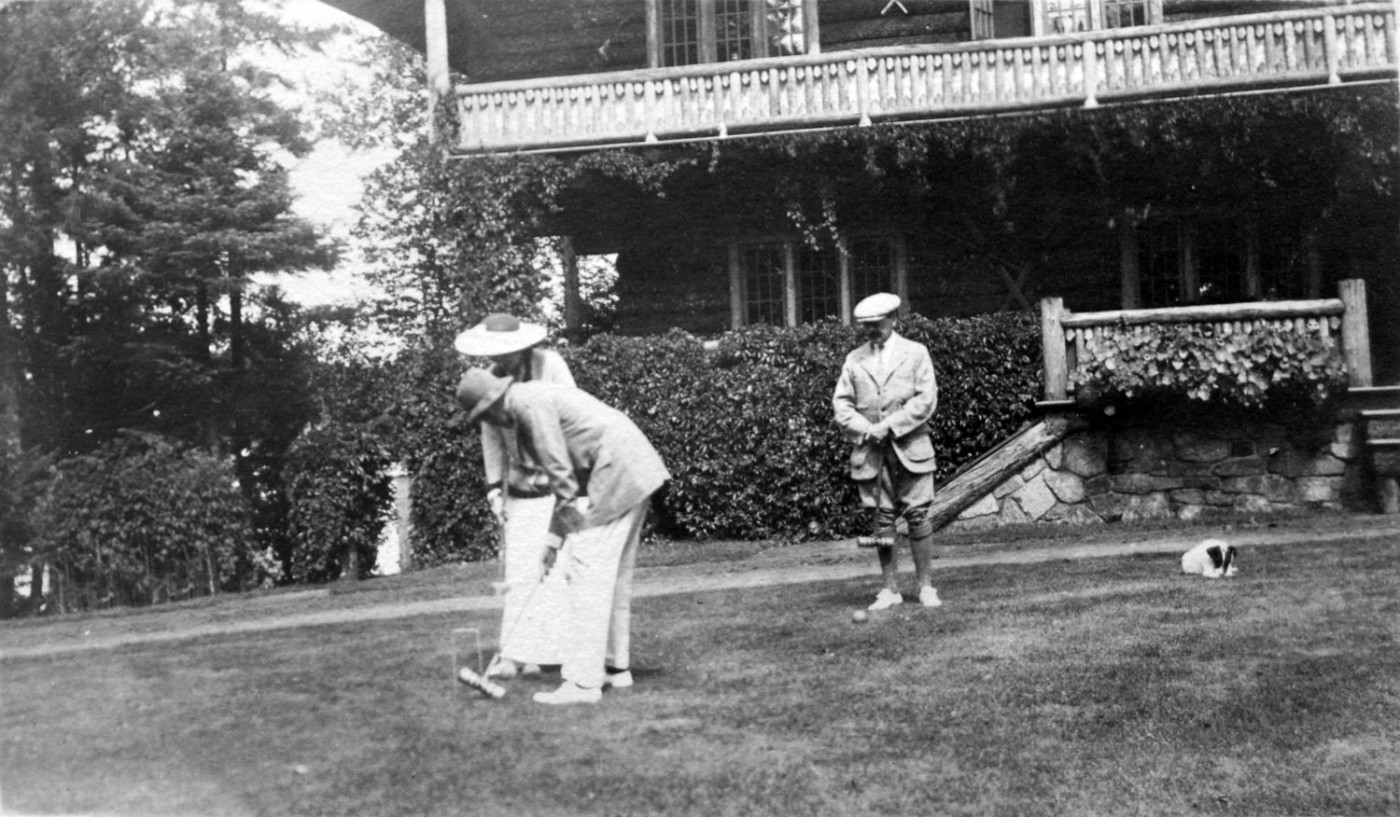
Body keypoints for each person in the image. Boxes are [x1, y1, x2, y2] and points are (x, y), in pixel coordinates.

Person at [455, 368, 671, 705]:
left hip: (615, 472)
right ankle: (616, 669)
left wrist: (561, 538)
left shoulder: (528, 408)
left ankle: (583, 684)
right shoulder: (531, 397)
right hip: (634, 468)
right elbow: (566, 475)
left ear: (492, 407)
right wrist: (553, 542)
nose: (492, 423)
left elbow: (563, 479)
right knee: (612, 579)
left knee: (583, 573)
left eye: (485, 415)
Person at [454, 313, 575, 679]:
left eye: (507, 351)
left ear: (523, 345)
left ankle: (560, 652)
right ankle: (519, 654)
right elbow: (491, 439)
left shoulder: (550, 365)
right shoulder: (489, 380)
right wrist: (494, 489)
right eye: (496, 352)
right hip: (519, 492)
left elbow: (570, 416)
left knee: (557, 570)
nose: (502, 358)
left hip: (555, 486)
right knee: (520, 574)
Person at [832, 292, 942, 611]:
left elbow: (926, 400)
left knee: (918, 516)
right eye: (866, 326)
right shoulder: (854, 360)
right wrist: (867, 429)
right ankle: (889, 589)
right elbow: (842, 405)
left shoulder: (916, 353)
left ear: (893, 319)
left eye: (876, 324)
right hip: (870, 453)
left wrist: (889, 426)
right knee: (881, 521)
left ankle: (926, 587)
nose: (871, 330)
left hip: (911, 448)